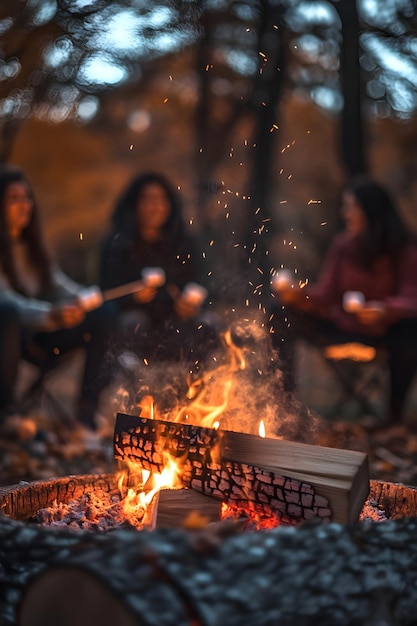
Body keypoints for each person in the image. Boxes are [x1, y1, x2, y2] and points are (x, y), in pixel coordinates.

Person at [268, 175, 417, 428]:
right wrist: (297, 295)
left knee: (410, 331)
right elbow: (326, 294)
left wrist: (385, 310)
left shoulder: (402, 250)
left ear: (372, 211)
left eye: (351, 207)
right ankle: (285, 404)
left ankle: (394, 416)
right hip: (341, 327)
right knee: (280, 312)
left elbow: (412, 298)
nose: (345, 213)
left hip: (383, 333)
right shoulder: (343, 245)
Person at [0, 165, 116, 431]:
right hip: (11, 335)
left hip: (43, 334)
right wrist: (50, 314)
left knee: (105, 314)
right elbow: (5, 300)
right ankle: (6, 414)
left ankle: (85, 412)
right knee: (6, 315)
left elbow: (57, 284)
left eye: (27, 198)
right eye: (13, 199)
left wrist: (86, 299)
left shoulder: (33, 247)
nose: (24, 205)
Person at [99, 172, 220, 373]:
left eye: (160, 200)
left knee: (209, 324)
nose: (155, 207)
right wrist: (132, 297)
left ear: (170, 205)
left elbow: (200, 285)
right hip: (137, 326)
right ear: (134, 205)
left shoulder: (182, 243)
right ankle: (134, 390)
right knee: (132, 323)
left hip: (175, 324)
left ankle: (196, 393)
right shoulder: (117, 244)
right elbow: (105, 294)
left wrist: (189, 304)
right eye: (147, 200)